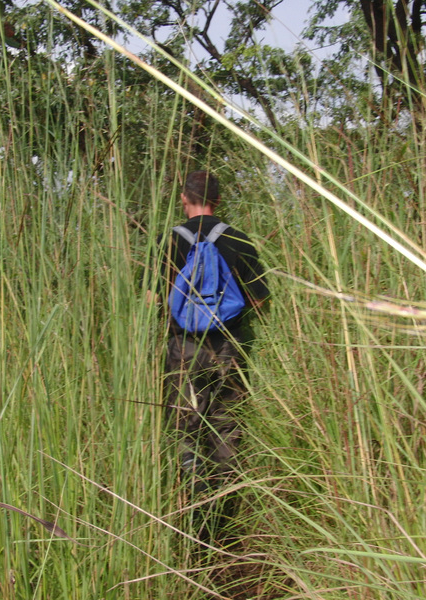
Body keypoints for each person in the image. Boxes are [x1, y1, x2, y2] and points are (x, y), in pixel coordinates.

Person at [158, 171, 269, 537]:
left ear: (183, 198)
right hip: (229, 348)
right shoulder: (238, 240)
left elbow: (151, 300)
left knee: (186, 427)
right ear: (218, 201)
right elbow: (260, 300)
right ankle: (224, 518)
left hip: (183, 348)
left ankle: (191, 511)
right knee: (226, 426)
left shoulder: (171, 241)